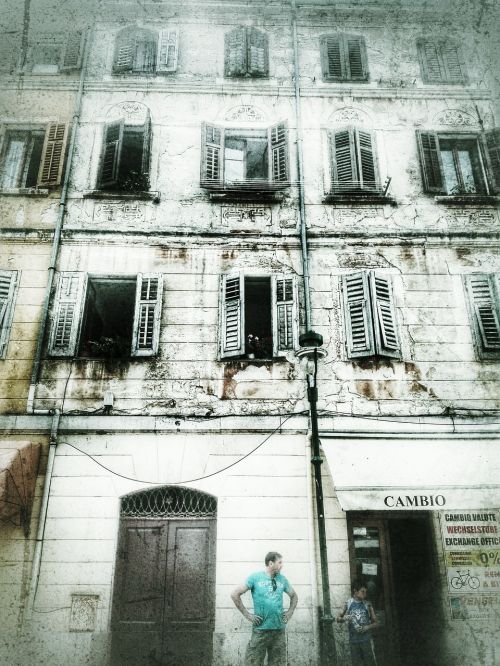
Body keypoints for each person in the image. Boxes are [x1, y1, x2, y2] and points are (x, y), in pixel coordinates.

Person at [231, 551, 298, 666]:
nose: (282, 565)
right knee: (254, 662)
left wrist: (290, 612)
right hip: (260, 630)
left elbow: (294, 596)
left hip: (278, 630)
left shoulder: (282, 579)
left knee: (278, 663)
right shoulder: (255, 578)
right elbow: (235, 594)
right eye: (279, 562)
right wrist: (248, 615)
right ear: (271, 563)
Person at [336, 579, 379, 666]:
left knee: (370, 663)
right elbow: (338, 618)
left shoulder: (368, 604)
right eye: (363, 592)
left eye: (366, 592)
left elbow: (376, 622)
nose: (365, 594)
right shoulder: (348, 603)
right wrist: (344, 618)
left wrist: (367, 627)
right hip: (354, 641)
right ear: (355, 591)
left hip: (366, 640)